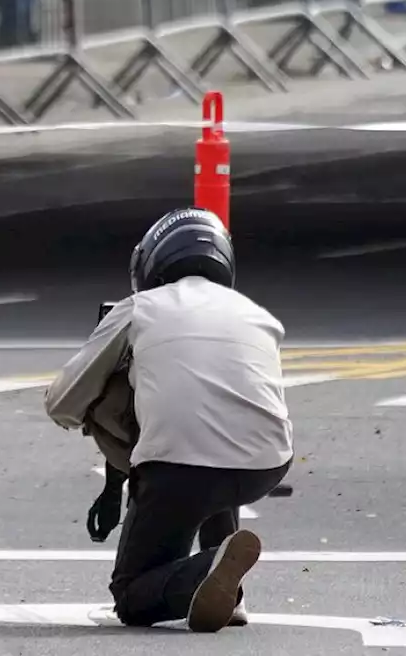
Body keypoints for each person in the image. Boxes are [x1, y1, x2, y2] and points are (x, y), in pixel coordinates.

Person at [43, 206, 294, 633]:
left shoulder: (139, 307)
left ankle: (205, 572)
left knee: (132, 595)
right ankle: (224, 584)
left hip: (180, 471)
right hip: (265, 465)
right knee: (216, 436)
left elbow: (63, 402)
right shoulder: (257, 314)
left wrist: (118, 413)